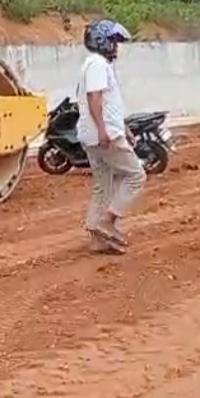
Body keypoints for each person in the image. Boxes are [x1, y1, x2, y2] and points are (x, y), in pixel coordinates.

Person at [75, 19, 146, 254]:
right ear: (102, 41)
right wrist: (104, 130)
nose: (116, 47)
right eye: (114, 42)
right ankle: (107, 221)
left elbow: (108, 103)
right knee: (136, 175)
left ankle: (97, 239)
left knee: (103, 186)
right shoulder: (97, 65)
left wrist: (124, 128)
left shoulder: (92, 64)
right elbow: (94, 98)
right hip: (104, 136)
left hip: (93, 136)